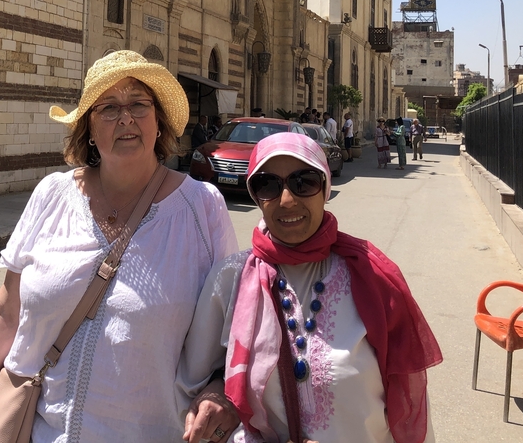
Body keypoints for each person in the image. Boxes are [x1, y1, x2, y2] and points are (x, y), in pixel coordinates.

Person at [0, 50, 239, 443]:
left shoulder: (201, 208)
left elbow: (233, 326)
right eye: (108, 108)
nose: (126, 118)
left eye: (139, 104)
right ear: (89, 130)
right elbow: (6, 311)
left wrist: (220, 390)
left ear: (159, 123)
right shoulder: (52, 194)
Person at [179, 133, 442, 443]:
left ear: (326, 188)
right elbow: (193, 389)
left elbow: (408, 401)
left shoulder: (372, 276)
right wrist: (216, 395)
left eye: (304, 182)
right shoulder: (230, 279)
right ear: (256, 197)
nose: (287, 200)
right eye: (268, 185)